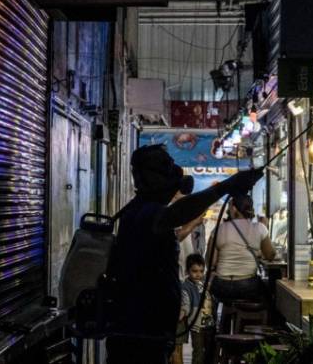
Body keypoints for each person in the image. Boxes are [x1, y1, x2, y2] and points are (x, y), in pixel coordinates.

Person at [106, 144, 264, 364]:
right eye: (166, 168)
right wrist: (225, 187)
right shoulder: (146, 213)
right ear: (150, 177)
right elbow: (179, 213)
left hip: (147, 330)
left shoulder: (140, 210)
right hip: (140, 331)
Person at [208, 194, 276, 302]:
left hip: (221, 286)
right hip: (248, 286)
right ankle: (256, 318)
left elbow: (211, 262)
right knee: (271, 293)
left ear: (234, 208)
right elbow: (270, 255)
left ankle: (223, 317)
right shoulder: (259, 227)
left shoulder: (218, 229)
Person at [180, 254, 215, 364]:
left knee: (210, 351)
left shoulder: (205, 283)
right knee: (198, 352)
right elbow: (185, 303)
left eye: (201, 271)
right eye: (194, 271)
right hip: (197, 326)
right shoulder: (186, 287)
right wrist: (182, 313)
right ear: (187, 271)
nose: (198, 274)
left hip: (209, 323)